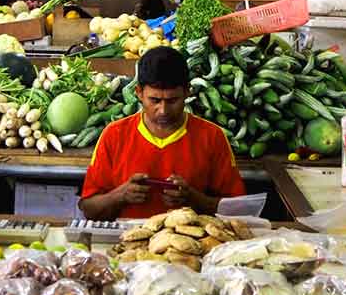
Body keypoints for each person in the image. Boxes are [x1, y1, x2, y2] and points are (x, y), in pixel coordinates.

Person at [79, 46, 245, 220]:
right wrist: (120, 196)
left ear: (188, 92)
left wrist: (193, 198)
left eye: (172, 100)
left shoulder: (212, 136)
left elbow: (238, 210)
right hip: (127, 241)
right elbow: (89, 208)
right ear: (139, 93)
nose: (163, 110)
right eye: (155, 100)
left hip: (191, 242)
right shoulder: (114, 135)